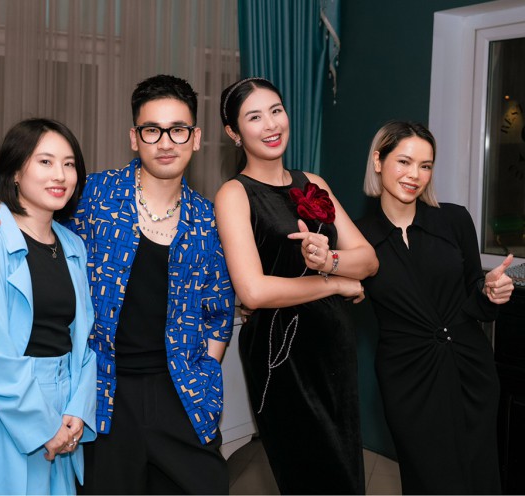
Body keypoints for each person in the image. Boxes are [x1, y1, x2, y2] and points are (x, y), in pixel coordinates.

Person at [0, 75, 235, 495]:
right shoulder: (93, 196)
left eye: (178, 130)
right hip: (103, 393)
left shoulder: (208, 219)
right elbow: (33, 220)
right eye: (152, 130)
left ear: (195, 138)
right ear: (134, 138)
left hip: (181, 392)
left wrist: (202, 374)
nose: (165, 142)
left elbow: (219, 310)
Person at [215, 77, 379, 494]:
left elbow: (368, 259)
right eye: (254, 117)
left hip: (334, 346)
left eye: (276, 110)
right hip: (281, 354)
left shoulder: (313, 182)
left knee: (345, 473)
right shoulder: (235, 194)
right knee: (309, 476)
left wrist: (330, 261)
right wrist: (336, 284)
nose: (271, 124)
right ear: (234, 132)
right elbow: (253, 292)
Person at [355, 121, 515, 495]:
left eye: (425, 165)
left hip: (470, 370)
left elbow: (474, 297)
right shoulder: (358, 237)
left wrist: (490, 292)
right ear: (378, 161)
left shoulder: (454, 220)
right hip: (407, 381)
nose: (415, 175)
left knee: (480, 479)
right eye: (404, 161)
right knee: (429, 481)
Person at [0, 118, 97, 495]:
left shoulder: (73, 245)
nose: (60, 174)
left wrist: (77, 409)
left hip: (64, 409)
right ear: (15, 172)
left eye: (69, 164)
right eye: (45, 161)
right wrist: (44, 426)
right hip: (8, 409)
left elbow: (82, 341)